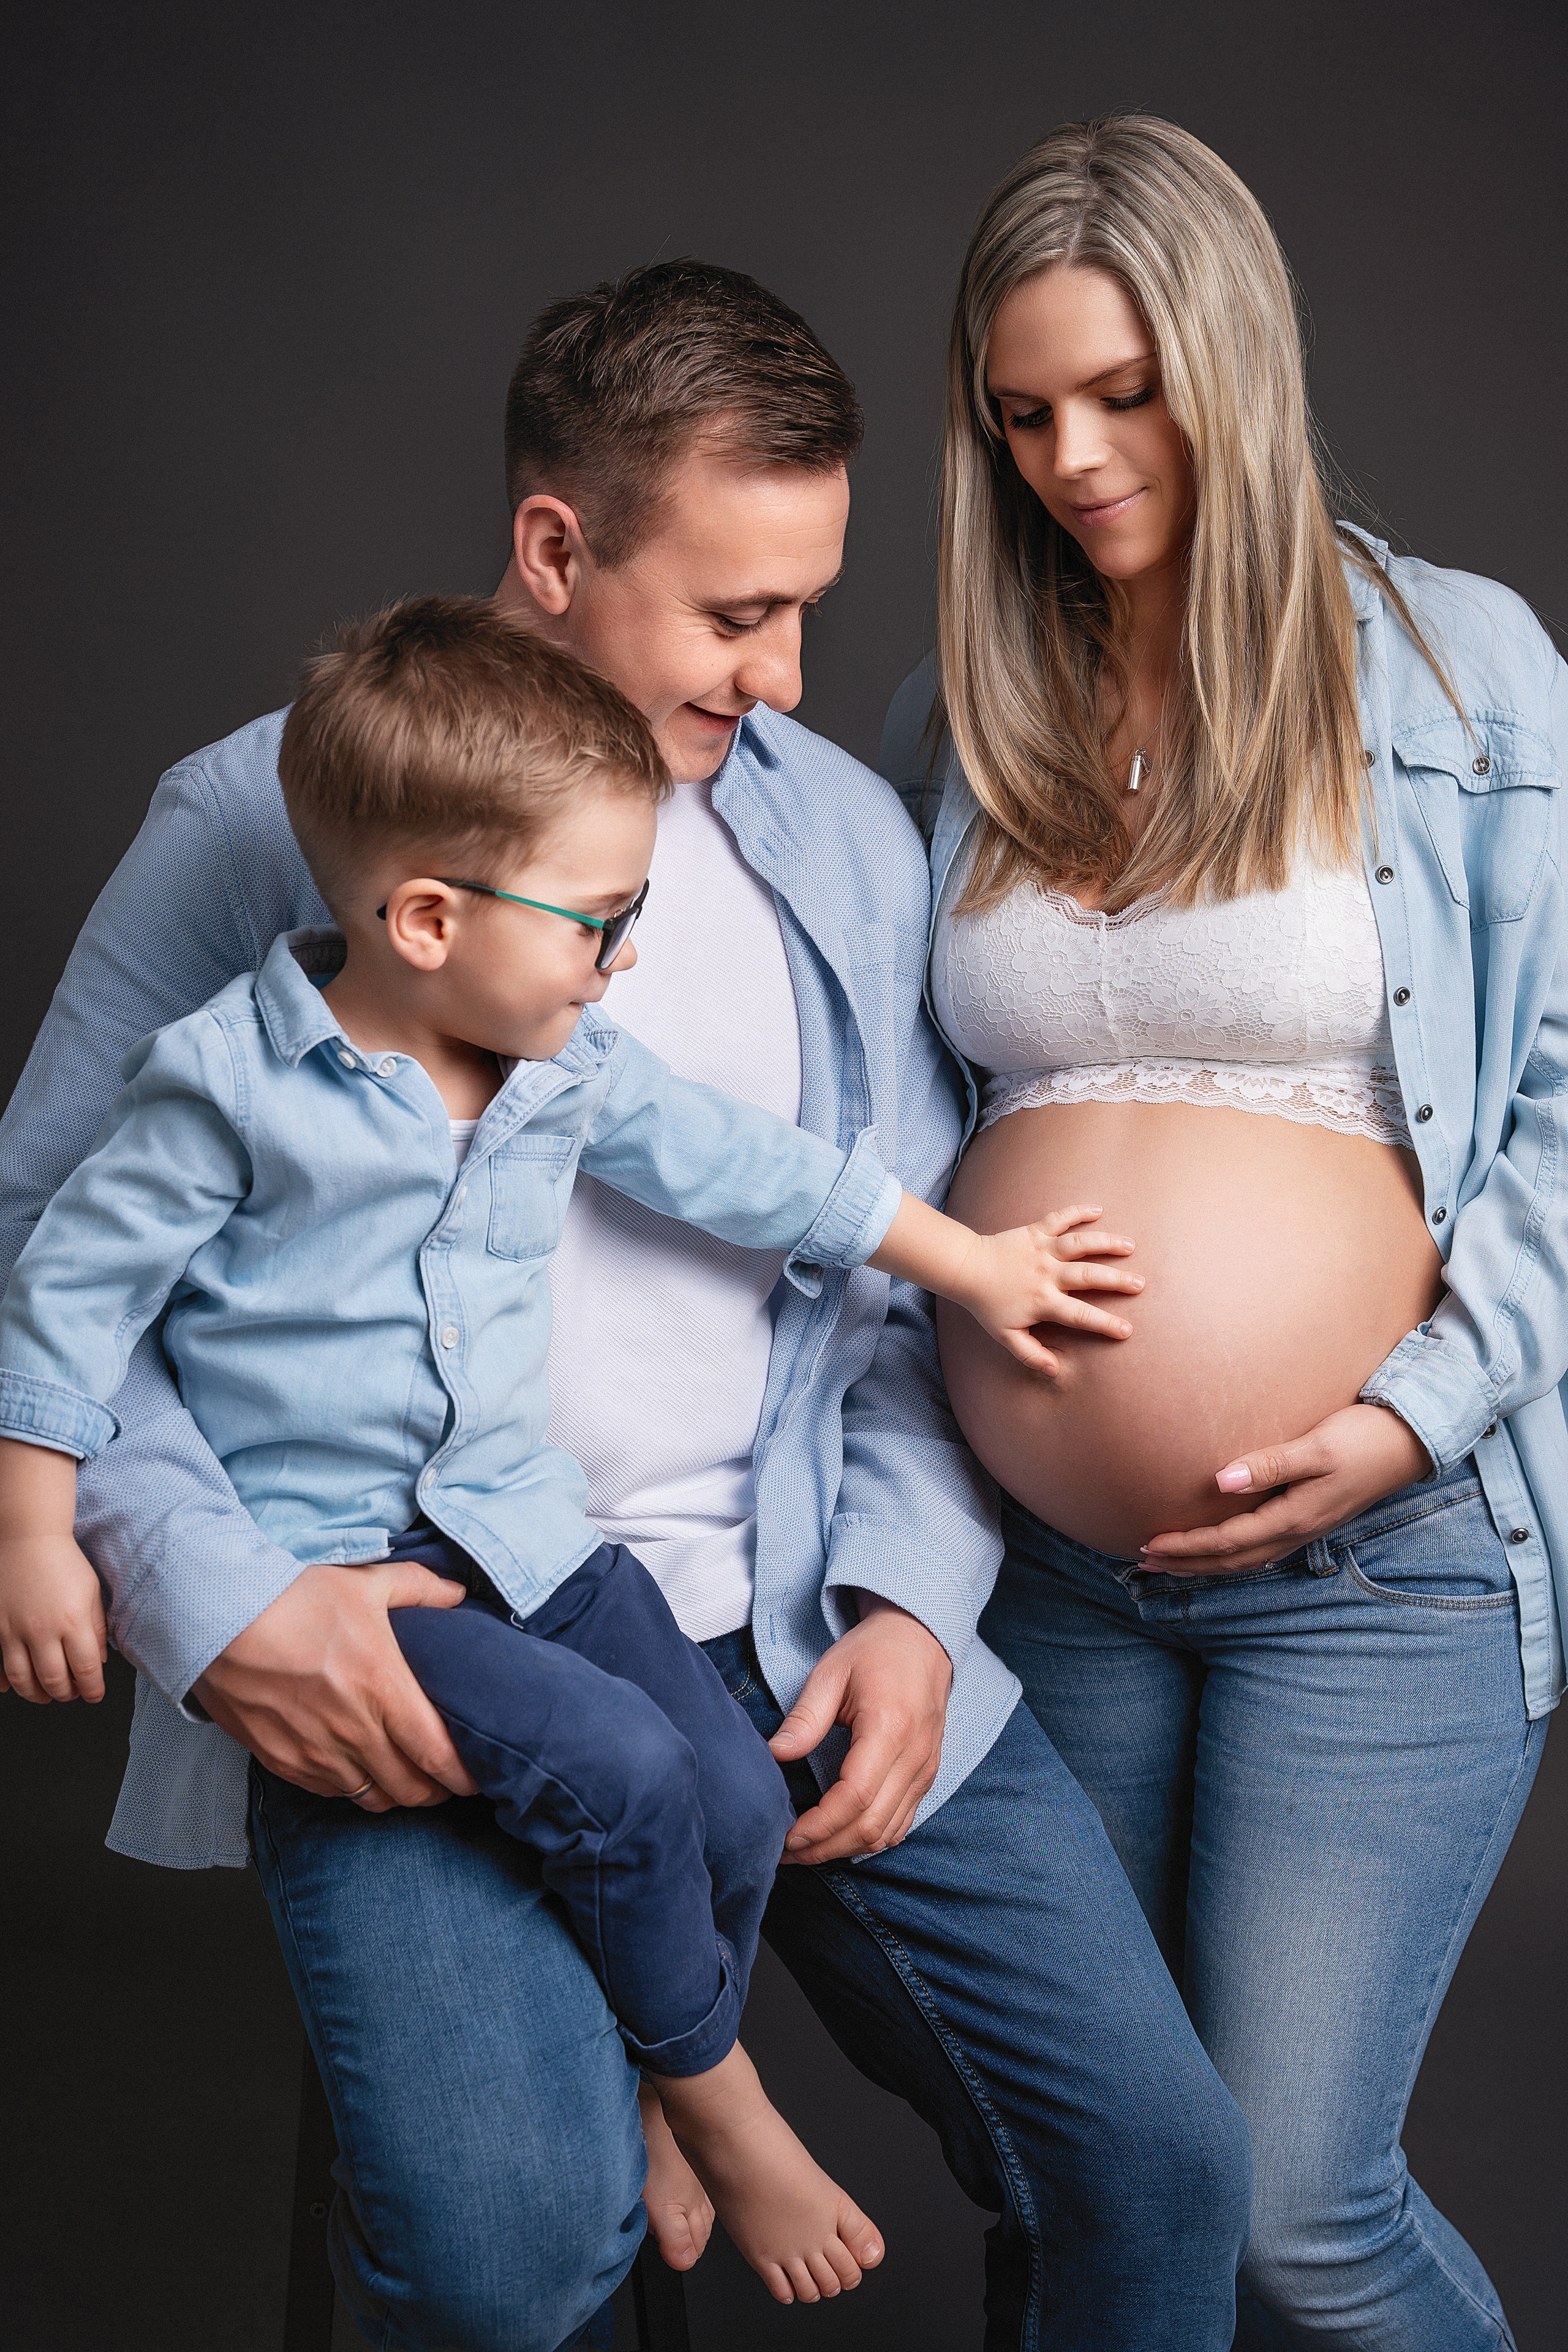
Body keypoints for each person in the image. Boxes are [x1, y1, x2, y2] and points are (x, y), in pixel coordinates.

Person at [0, 262, 1252, 2352]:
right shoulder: (273, 813)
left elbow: (885, 1255)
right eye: (734, 614)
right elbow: (54, 1243)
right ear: (556, 551)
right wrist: (218, 1606)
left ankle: (667, 2048)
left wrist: (914, 1607)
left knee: (1161, 2170)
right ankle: (665, 2080)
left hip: (771, 1618)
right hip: (413, 1630)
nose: (785, 676)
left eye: (810, 609)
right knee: (507, 2254)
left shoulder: (841, 836)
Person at [882, 114, 1566, 2351]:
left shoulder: (1459, 680)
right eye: (1022, 411)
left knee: (1293, 2208)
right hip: (1049, 1580)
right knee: (1107, 2178)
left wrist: (1413, 1414)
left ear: (1233, 361)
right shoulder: (965, 716)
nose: (1075, 457)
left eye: (1124, 389)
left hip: (1375, 1577)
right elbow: (906, 1135)